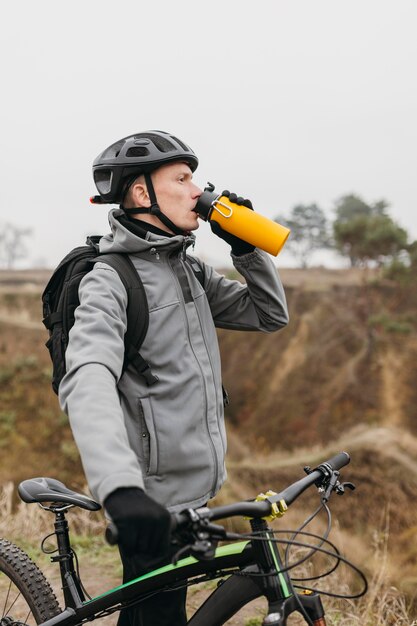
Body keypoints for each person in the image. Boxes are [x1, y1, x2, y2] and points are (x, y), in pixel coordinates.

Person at [59, 130, 289, 626]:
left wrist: (246, 250)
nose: (197, 191)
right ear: (142, 194)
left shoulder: (189, 270)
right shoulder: (110, 278)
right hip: (149, 499)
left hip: (198, 491)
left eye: (194, 179)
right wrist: (120, 490)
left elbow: (269, 315)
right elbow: (88, 374)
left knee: (162, 612)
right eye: (182, 179)